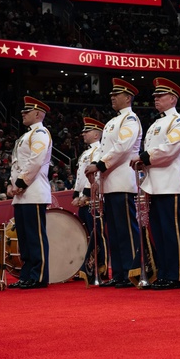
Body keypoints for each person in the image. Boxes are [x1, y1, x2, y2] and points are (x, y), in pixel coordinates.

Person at [131, 78, 180, 290]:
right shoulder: (156, 123)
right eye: (155, 96)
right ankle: (164, 272)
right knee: (158, 230)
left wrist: (144, 158)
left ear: (173, 99)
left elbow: (170, 148)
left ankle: (174, 274)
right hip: (154, 183)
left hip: (171, 182)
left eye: (160, 96)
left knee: (171, 230)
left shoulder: (179, 122)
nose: (156, 99)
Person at [85, 79, 143, 288]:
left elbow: (123, 148)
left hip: (123, 181)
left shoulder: (130, 119)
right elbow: (103, 150)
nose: (112, 97)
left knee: (127, 230)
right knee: (115, 232)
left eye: (116, 95)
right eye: (111, 95)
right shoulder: (111, 123)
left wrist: (99, 165)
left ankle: (131, 271)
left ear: (127, 98)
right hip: (110, 182)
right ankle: (119, 272)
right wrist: (96, 167)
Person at [8, 96, 53, 290]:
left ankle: (39, 275)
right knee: (25, 238)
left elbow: (35, 160)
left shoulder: (41, 133)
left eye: (26, 112)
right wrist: (12, 185)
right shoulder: (26, 135)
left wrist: (20, 183)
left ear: (37, 114)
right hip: (21, 193)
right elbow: (17, 164)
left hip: (33, 191)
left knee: (35, 237)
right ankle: (27, 274)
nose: (23, 114)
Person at [73, 116, 107, 282]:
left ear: (96, 134)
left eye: (87, 131)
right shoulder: (86, 152)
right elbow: (80, 176)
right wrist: (76, 194)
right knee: (86, 234)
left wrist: (86, 194)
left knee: (97, 233)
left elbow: (96, 176)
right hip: (84, 197)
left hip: (93, 198)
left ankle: (99, 266)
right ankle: (86, 266)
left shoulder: (99, 149)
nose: (83, 134)